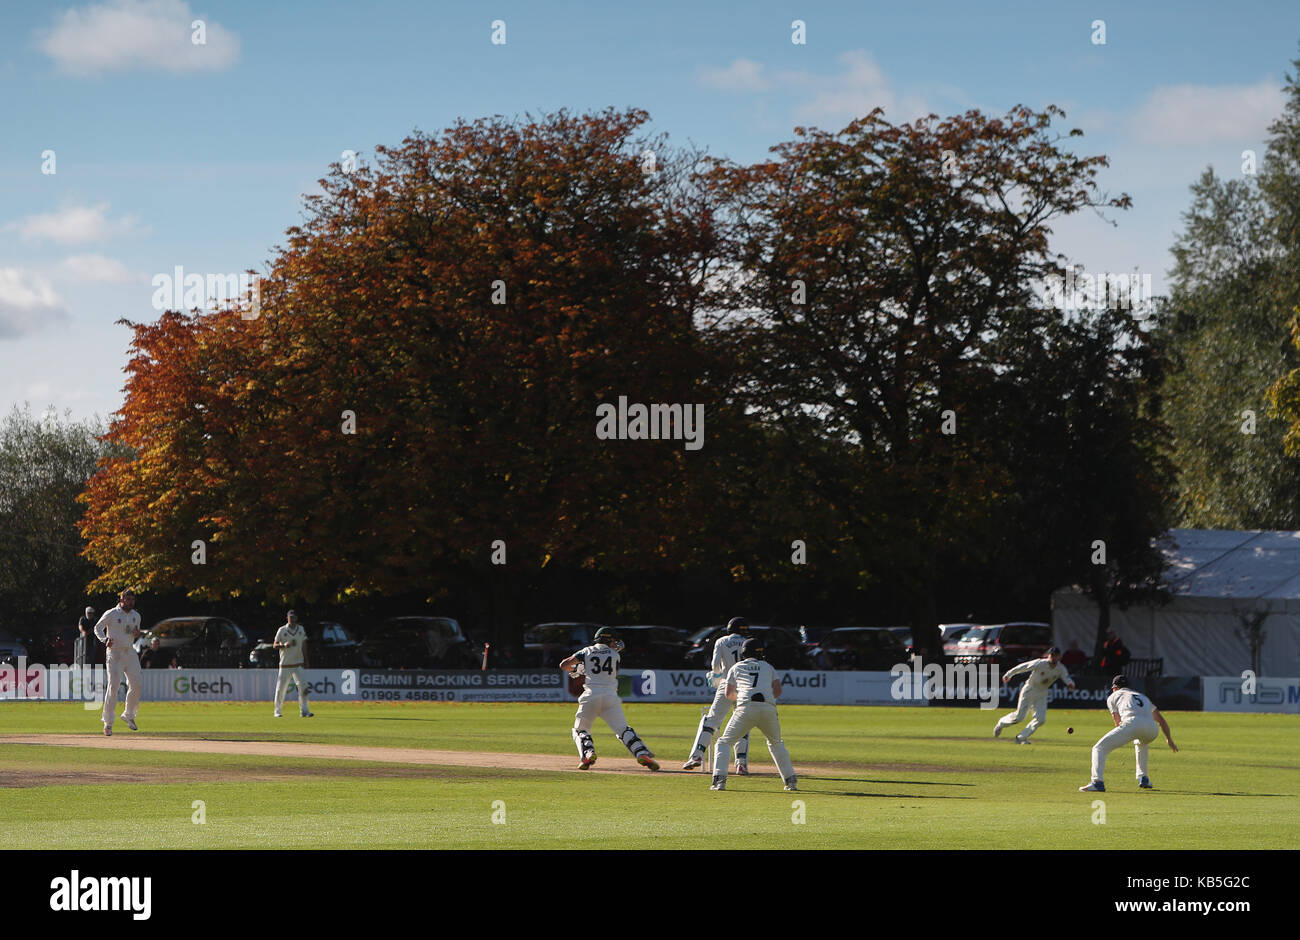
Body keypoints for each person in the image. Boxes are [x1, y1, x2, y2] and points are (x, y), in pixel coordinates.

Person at [558, 626, 659, 771]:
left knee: (580, 730)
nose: (614, 644)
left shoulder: (586, 651)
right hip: (611, 697)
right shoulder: (615, 655)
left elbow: (564, 665)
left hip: (591, 695)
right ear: (608, 639)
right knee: (623, 730)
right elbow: (613, 672)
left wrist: (577, 669)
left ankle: (588, 753)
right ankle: (641, 752)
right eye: (613, 641)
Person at [709, 636, 798, 792]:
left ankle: (719, 781)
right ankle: (791, 781)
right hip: (768, 708)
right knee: (776, 743)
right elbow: (777, 691)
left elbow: (729, 694)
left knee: (724, 742)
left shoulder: (736, 667)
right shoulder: (768, 667)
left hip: (746, 708)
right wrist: (766, 701)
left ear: (744, 653)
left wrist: (744, 700)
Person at [1080, 675, 1178, 792]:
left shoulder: (1113, 696)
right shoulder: (1142, 697)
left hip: (1132, 722)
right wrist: (1169, 739)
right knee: (1141, 742)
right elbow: (1161, 720)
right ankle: (1143, 778)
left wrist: (1124, 734)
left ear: (1115, 688)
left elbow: (1117, 722)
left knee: (1099, 748)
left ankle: (1097, 782)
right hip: (1152, 729)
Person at [682, 617, 751, 773]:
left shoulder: (721, 641)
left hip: (727, 685)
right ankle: (741, 764)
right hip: (745, 688)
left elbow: (715, 667)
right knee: (742, 724)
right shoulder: (749, 642)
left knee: (712, 721)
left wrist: (717, 676)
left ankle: (697, 755)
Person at [994, 646, 1076, 744]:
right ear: (1048, 655)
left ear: (1059, 657)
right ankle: (1001, 723)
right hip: (1030, 690)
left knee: (1040, 719)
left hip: (1042, 693)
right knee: (1019, 717)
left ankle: (1021, 738)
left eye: (1056, 656)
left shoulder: (1060, 668)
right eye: (1052, 655)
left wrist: (1071, 685)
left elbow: (1067, 678)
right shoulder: (1040, 663)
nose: (1053, 658)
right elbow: (1024, 667)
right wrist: (1009, 674)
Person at [92, 589, 142, 735]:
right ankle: (108, 723)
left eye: (133, 600)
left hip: (130, 652)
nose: (131, 602)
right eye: (128, 600)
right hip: (114, 653)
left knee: (137, 685)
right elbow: (97, 628)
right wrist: (104, 639)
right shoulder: (112, 613)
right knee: (113, 687)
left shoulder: (136, 615)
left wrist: (137, 634)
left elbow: (135, 632)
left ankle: (128, 715)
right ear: (122, 599)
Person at [273, 610, 314, 718]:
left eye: (294, 617)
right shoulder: (282, 630)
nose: (292, 618)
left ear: (296, 618)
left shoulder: (301, 629)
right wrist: (283, 645)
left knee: (304, 687)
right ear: (287, 618)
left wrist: (306, 660)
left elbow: (304, 645)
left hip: (298, 663)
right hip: (285, 664)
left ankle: (304, 710)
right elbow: (275, 645)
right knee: (281, 688)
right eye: (290, 617)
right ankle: (277, 711)